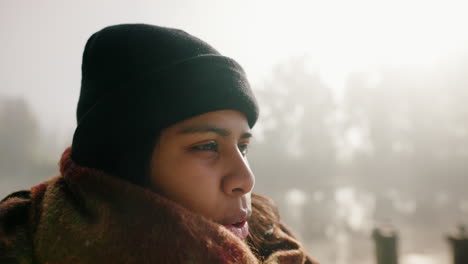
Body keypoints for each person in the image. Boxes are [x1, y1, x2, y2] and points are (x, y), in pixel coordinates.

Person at [0, 24, 318, 264]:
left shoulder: (272, 239)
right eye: (207, 146)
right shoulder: (16, 243)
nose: (245, 179)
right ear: (124, 165)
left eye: (243, 146)